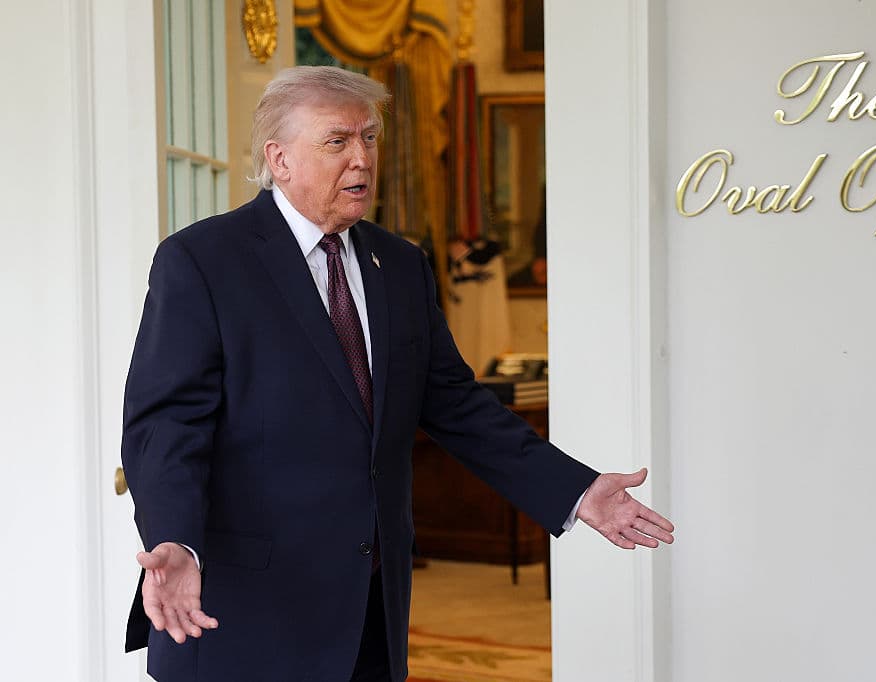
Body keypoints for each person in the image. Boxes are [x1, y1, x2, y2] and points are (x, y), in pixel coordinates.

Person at [122, 66, 674, 682]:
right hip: (244, 614)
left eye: (370, 139)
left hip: (369, 611)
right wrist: (175, 539)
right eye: (337, 141)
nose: (361, 158)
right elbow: (167, 425)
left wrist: (574, 490)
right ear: (279, 159)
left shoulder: (401, 265)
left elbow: (458, 406)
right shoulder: (202, 261)